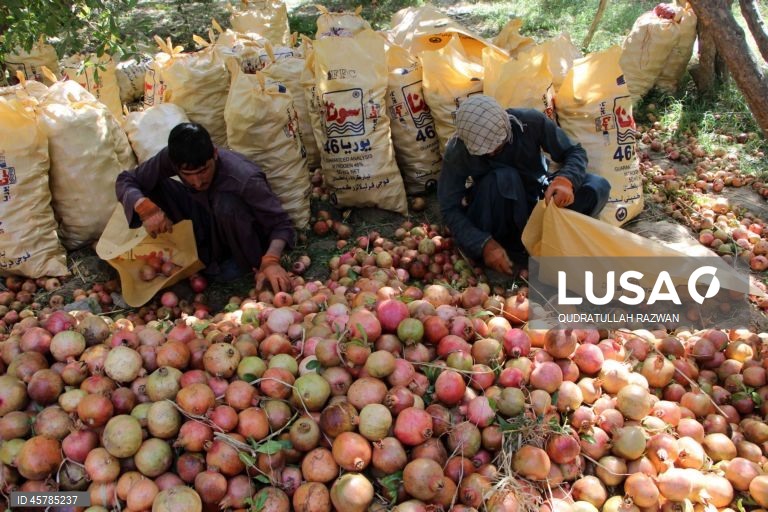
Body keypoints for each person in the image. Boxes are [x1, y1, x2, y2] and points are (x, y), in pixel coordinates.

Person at [437, 95, 611, 275]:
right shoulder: (458, 150)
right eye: (485, 152)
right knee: (505, 177)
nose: (492, 153)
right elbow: (449, 208)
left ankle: (544, 241)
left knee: (597, 186)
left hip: (535, 199)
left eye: (498, 147)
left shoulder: (530, 122)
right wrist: (482, 243)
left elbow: (574, 152)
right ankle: (514, 249)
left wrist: (566, 180)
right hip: (498, 213)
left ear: (507, 124)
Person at [116, 122, 295, 292]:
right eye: (188, 174)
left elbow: (281, 225)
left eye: (203, 171)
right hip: (202, 218)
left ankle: (232, 265)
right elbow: (126, 180)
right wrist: (145, 208)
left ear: (215, 154)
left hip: (236, 237)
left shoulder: (245, 178)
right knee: (150, 187)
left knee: (226, 205)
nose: (197, 182)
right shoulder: (172, 158)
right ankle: (196, 256)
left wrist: (271, 260)